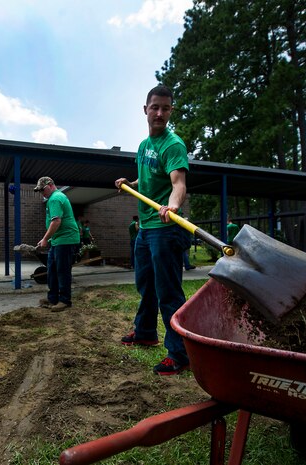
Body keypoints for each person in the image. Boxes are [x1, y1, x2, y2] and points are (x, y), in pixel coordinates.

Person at [114, 84, 191, 376]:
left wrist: (171, 206)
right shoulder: (145, 146)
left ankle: (179, 353)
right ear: (145, 110)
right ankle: (145, 332)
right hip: (145, 229)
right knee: (145, 285)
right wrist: (131, 184)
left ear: (171, 111)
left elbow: (177, 183)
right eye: (154, 107)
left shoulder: (173, 145)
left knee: (168, 291)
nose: (159, 113)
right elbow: (149, 176)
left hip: (164, 227)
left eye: (165, 108)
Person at [34, 176, 81, 312]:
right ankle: (52, 298)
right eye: (39, 191)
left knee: (62, 271)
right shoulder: (53, 198)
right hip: (58, 240)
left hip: (66, 240)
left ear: (50, 185)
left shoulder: (55, 198)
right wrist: (48, 239)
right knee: (52, 270)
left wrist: (44, 239)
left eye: (42, 189)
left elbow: (56, 222)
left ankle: (65, 300)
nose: (42, 193)